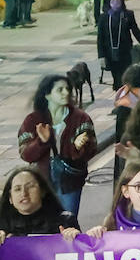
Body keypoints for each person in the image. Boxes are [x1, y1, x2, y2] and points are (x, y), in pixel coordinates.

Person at [17, 74, 97, 216]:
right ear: (47, 95)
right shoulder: (32, 120)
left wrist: (79, 146)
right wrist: (41, 141)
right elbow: (26, 154)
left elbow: (91, 149)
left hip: (69, 181)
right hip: (41, 181)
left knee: (67, 222)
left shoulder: (81, 118)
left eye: (67, 89)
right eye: (60, 90)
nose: (66, 93)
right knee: (44, 225)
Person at [97, 0, 140, 90]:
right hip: (110, 52)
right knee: (116, 78)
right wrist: (101, 56)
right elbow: (100, 38)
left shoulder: (128, 15)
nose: (115, 4)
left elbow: (136, 31)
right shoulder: (103, 17)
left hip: (125, 51)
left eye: (118, 1)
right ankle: (119, 98)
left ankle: (125, 97)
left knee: (125, 77)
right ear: (109, 2)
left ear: (122, 2)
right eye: (113, 1)